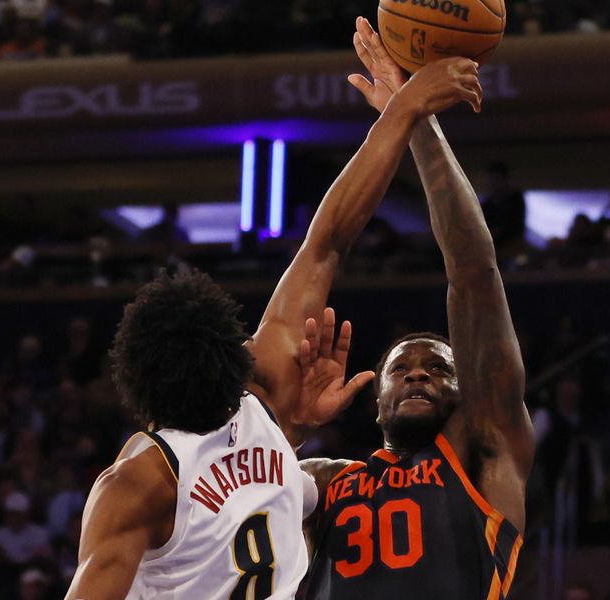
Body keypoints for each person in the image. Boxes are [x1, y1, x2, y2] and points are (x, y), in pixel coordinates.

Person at [65, 36, 482, 598]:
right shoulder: (263, 401)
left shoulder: (136, 483)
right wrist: (405, 110)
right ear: (233, 357)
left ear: (140, 389)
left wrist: (292, 438)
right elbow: (329, 238)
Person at [301, 18, 534, 599]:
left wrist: (416, 118)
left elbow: (474, 274)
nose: (418, 374)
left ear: (468, 390)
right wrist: (289, 426)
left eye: (438, 368)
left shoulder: (485, 451)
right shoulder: (323, 481)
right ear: (375, 399)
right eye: (400, 370)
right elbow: (226, 506)